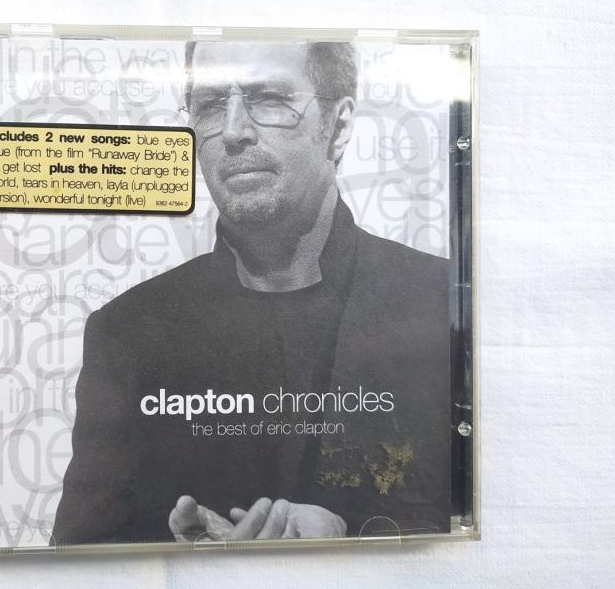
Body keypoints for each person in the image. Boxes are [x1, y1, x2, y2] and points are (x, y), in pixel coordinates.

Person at [52, 41, 451, 545]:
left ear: (338, 127)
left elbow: (484, 515)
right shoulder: (126, 333)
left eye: (268, 98)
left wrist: (348, 537)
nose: (233, 132)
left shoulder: (442, 301)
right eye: (211, 105)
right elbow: (79, 553)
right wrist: (179, 557)